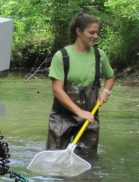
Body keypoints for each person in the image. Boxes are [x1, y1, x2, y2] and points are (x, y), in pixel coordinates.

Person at [46, 12, 115, 153]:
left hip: (89, 118)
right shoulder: (62, 56)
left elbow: (110, 77)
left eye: (96, 33)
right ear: (78, 31)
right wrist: (79, 112)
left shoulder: (99, 55)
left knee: (88, 161)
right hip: (62, 118)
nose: (95, 36)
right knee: (55, 159)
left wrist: (106, 91)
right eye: (91, 32)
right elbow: (57, 90)